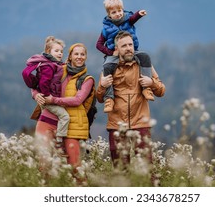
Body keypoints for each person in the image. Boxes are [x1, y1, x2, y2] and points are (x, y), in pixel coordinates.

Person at [96, 31, 166, 170]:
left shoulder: (144, 65)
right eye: (124, 46)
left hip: (141, 123)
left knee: (146, 168)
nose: (128, 48)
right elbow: (99, 98)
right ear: (117, 49)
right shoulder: (109, 67)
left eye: (130, 44)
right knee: (121, 170)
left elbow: (161, 91)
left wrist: (151, 82)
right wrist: (102, 86)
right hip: (116, 124)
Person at [32, 43, 95, 176]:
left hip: (71, 127)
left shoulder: (87, 80)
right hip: (46, 121)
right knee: (44, 166)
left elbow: (78, 100)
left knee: (75, 168)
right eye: (76, 54)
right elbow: (36, 83)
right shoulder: (57, 69)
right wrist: (36, 95)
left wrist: (53, 100)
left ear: (86, 57)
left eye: (82, 54)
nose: (79, 57)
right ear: (70, 56)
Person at [96, 0, 154, 113]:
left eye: (119, 10)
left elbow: (133, 18)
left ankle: (146, 88)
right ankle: (109, 98)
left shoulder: (128, 20)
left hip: (132, 52)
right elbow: (99, 45)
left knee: (145, 57)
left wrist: (139, 14)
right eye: (114, 12)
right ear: (109, 15)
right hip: (115, 55)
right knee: (107, 67)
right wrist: (111, 52)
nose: (118, 14)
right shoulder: (106, 29)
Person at [26, 36, 69, 150]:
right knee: (65, 116)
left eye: (61, 51)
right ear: (48, 52)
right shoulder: (49, 66)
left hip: (50, 105)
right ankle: (60, 139)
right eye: (56, 51)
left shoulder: (57, 65)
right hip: (48, 104)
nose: (60, 53)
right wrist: (42, 94)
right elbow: (41, 83)